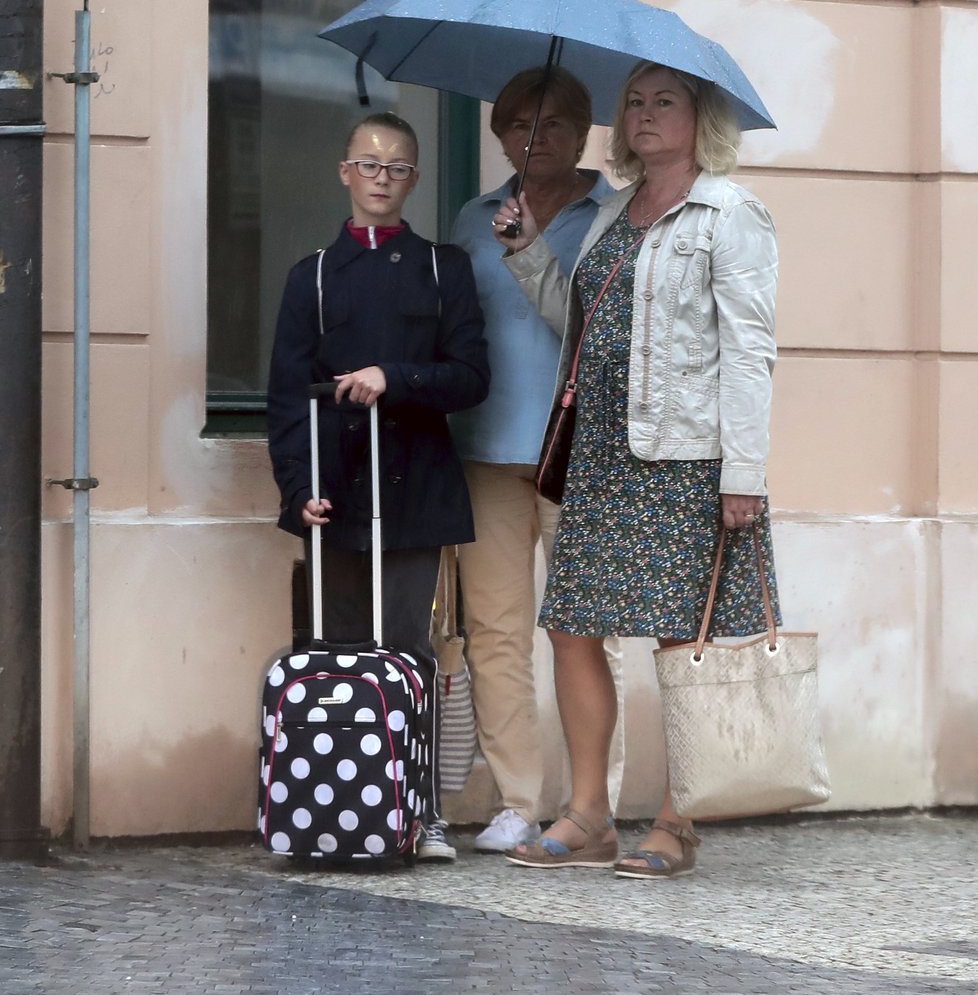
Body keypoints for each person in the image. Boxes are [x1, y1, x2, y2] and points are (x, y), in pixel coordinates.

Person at [493, 61, 779, 879]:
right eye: (636, 102)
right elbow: (578, 321)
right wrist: (526, 252)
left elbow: (751, 351)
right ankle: (589, 812)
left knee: (677, 638)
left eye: (666, 102)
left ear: (701, 119)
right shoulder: (614, 210)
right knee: (572, 623)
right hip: (601, 452)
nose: (645, 115)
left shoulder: (730, 213)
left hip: (686, 456)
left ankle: (677, 819)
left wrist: (744, 473)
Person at [266, 110, 490, 864]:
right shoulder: (313, 276)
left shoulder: (442, 268)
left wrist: (396, 378)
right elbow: (285, 398)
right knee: (335, 653)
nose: (381, 179)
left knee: (409, 653)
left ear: (414, 181)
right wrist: (299, 490)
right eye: (368, 164)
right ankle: (327, 802)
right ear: (345, 172)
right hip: (336, 493)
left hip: (416, 491)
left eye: (396, 168)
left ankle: (418, 809)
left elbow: (469, 377)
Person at [450, 67, 624, 854]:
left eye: (555, 122)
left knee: (585, 632)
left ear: (584, 131)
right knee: (495, 629)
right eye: (519, 123)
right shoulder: (472, 217)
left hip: (578, 452)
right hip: (486, 447)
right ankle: (517, 798)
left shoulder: (615, 214)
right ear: (499, 136)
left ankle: (595, 799)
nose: (535, 136)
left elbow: (601, 330)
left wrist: (532, 254)